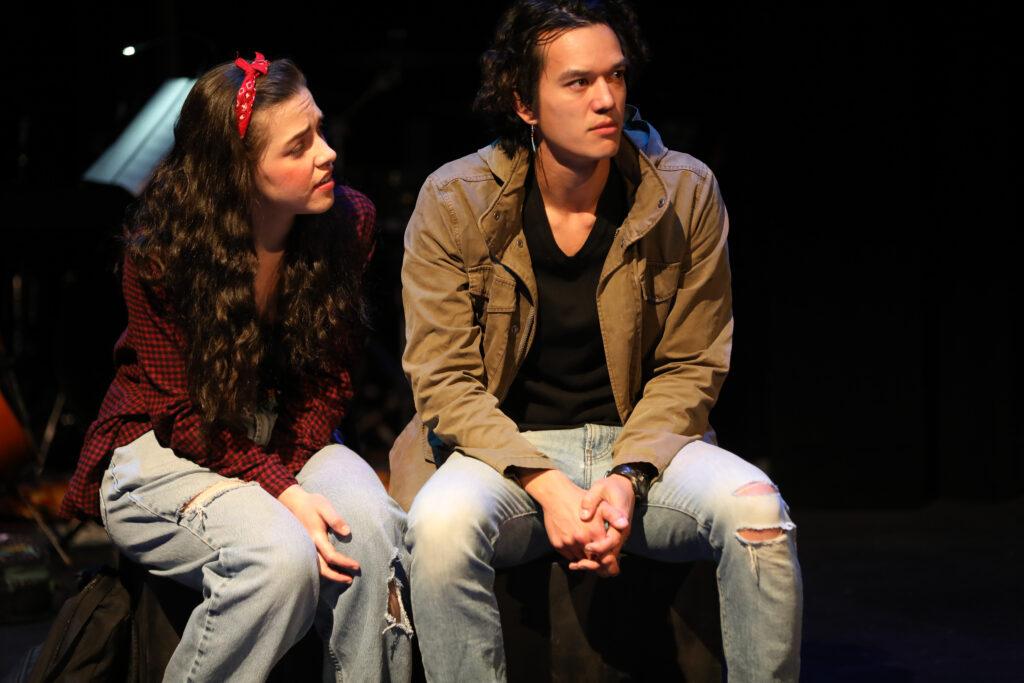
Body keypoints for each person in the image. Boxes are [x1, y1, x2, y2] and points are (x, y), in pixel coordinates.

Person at [394, 2, 803, 680]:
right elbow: (443, 379)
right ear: (525, 103)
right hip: (506, 454)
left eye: (615, 77)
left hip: (644, 447)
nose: (606, 99)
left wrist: (626, 473)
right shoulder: (456, 199)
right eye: (578, 82)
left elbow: (693, 363)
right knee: (438, 529)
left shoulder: (684, 190)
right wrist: (544, 482)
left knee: (759, 512)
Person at [61, 54, 412, 682]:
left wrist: (290, 476)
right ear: (237, 174)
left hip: (284, 436)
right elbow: (187, 415)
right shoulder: (163, 254)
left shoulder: (346, 225)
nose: (326, 153)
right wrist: (283, 491)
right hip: (165, 443)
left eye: (320, 131)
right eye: (298, 146)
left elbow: (329, 381)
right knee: (276, 560)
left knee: (374, 526)